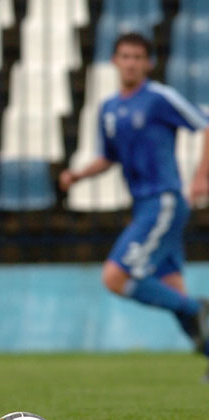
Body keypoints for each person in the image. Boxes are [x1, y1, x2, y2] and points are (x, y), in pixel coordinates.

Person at [59, 33, 209, 371]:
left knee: (115, 277)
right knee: (173, 291)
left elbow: (205, 125)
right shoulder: (109, 108)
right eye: (125, 56)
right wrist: (78, 176)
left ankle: (196, 308)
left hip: (164, 201)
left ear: (149, 63)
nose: (131, 63)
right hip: (143, 206)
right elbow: (108, 157)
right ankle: (197, 324)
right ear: (114, 61)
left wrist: (201, 178)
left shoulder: (159, 98)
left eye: (138, 57)